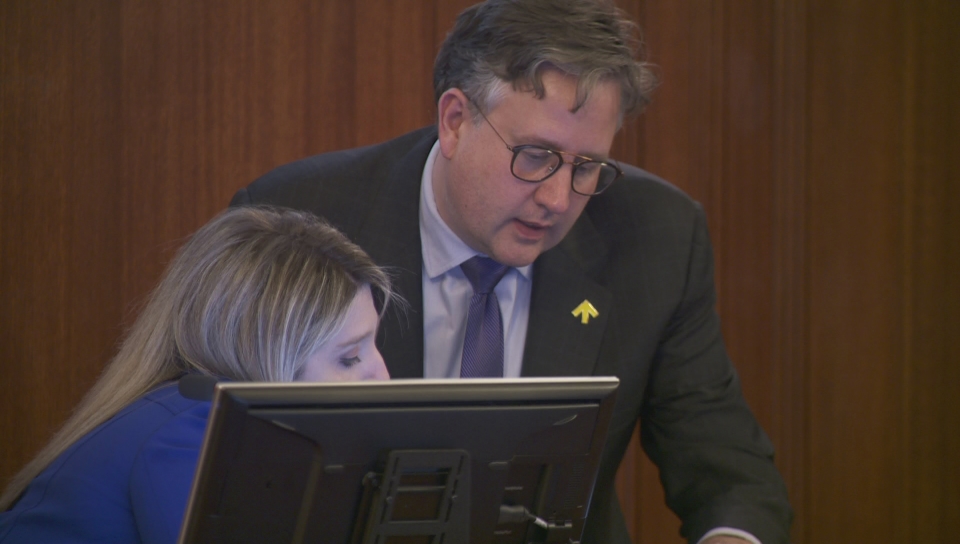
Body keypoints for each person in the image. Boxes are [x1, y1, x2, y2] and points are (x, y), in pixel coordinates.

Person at [230, 1, 792, 543]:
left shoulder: (656, 237)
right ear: (455, 121)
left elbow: (731, 475)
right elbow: (224, 464)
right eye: (535, 155)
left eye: (587, 166)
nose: (556, 198)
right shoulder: (297, 223)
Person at [0, 207, 396, 543]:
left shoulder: (184, 410)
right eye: (349, 359)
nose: (383, 377)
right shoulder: (196, 430)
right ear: (265, 353)